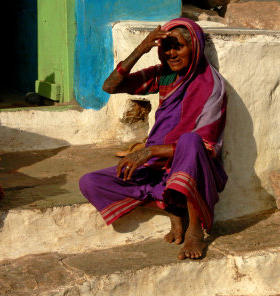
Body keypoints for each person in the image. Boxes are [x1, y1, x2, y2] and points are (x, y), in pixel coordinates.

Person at [79, 18, 228, 260]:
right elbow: (110, 86)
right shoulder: (163, 76)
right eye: (165, 48)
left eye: (178, 46)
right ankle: (171, 206)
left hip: (193, 166)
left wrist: (149, 151)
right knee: (90, 182)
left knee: (191, 141)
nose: (171, 54)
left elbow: (207, 145)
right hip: (157, 168)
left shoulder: (211, 84)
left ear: (196, 47)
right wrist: (141, 48)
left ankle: (194, 227)